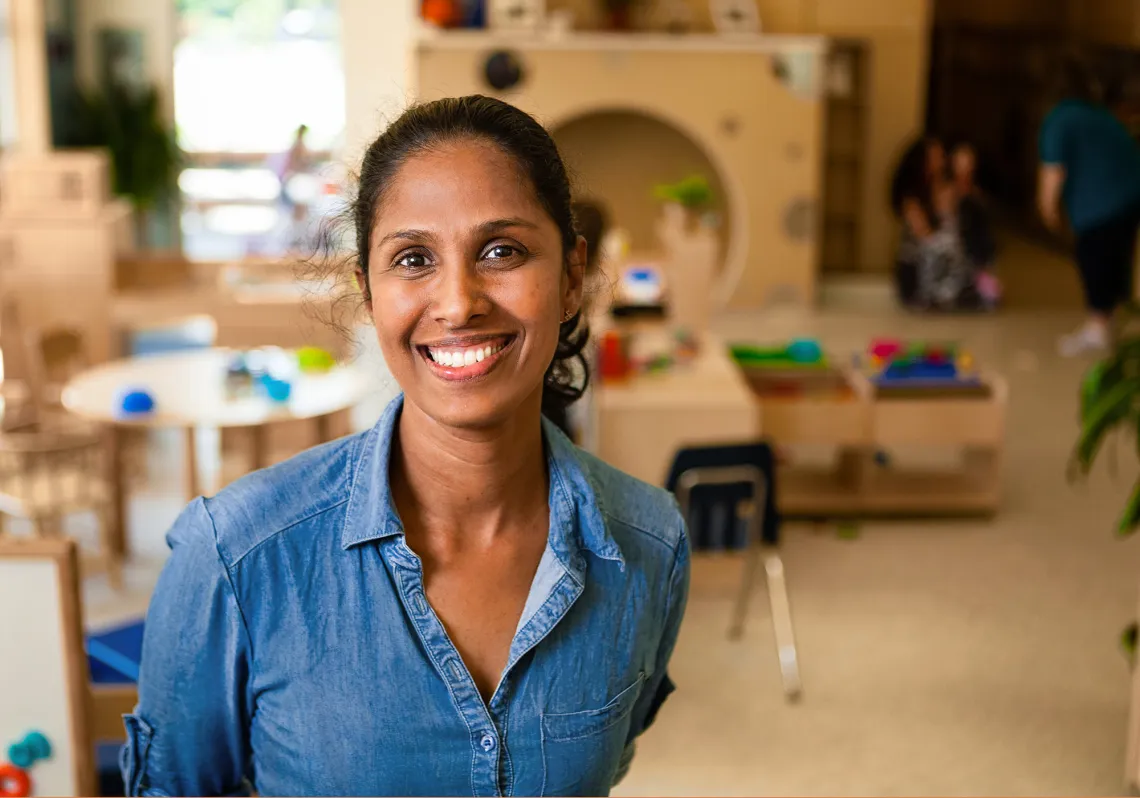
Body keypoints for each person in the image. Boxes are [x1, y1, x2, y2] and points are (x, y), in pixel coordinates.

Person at [121, 96, 691, 797]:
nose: (458, 303)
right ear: (367, 290)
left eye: (501, 251)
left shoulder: (649, 543)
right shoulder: (236, 557)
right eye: (414, 259)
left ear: (573, 276)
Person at [1039, 58, 1140, 356]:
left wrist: (1047, 211)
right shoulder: (1101, 116)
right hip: (1131, 196)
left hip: (1099, 203)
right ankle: (1111, 321)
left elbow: (1053, 170)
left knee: (1094, 259)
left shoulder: (1060, 119)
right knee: (1117, 258)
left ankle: (1098, 326)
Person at [890, 136, 977, 310]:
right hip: (920, 266)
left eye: (942, 157)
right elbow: (924, 235)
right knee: (950, 246)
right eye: (934, 158)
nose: (941, 162)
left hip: (946, 262)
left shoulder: (947, 188)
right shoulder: (912, 197)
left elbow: (963, 210)